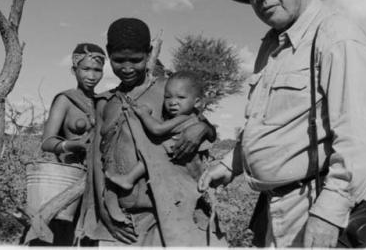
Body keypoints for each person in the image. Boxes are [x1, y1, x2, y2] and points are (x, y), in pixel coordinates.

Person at [198, 0, 366, 247]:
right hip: (280, 206)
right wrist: (230, 163)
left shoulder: (337, 36)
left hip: (319, 201)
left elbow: (362, 137)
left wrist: (329, 212)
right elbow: (272, 124)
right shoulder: (272, 44)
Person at [74, 17, 225, 246]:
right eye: (118, 60)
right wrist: (105, 214)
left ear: (149, 53)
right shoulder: (106, 103)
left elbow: (204, 127)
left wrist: (202, 129)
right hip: (118, 220)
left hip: (165, 217)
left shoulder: (168, 91)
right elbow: (96, 161)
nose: (126, 68)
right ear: (108, 54)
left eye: (136, 60)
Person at [31, 43, 106, 246]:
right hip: (67, 181)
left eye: (97, 70)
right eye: (86, 69)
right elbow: (47, 141)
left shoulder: (104, 102)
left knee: (88, 238)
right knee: (60, 236)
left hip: (95, 184)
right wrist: (73, 145)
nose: (91, 75)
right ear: (74, 70)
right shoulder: (66, 100)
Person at [105, 70, 209, 190]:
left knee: (151, 153)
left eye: (181, 97)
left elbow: (157, 129)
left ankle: (129, 179)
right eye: (167, 97)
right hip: (174, 159)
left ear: (197, 102)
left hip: (171, 155)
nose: (173, 102)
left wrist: (144, 114)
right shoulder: (191, 117)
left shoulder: (185, 118)